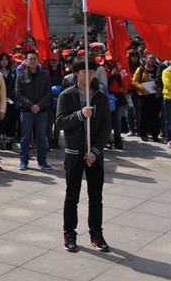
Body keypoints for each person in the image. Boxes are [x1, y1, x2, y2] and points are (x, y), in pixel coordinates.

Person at [56, 58, 111, 253]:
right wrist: (80, 114)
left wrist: (95, 151)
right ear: (76, 73)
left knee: (96, 197)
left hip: (94, 155)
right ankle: (69, 234)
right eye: (84, 71)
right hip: (74, 153)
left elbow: (106, 127)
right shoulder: (66, 95)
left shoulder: (100, 97)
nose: (89, 75)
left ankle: (96, 234)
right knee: (72, 196)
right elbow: (60, 122)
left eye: (92, 71)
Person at [15, 50, 52, 170]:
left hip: (42, 111)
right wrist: (31, 105)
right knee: (25, 138)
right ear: (26, 61)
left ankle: (42, 161)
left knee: (41, 138)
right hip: (26, 111)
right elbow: (18, 93)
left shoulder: (45, 75)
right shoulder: (21, 76)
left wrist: (39, 105)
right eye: (30, 59)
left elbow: (48, 93)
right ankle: (23, 161)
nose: (32, 61)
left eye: (34, 59)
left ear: (38, 60)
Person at [131, 53, 162, 142]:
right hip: (143, 96)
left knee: (155, 116)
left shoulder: (157, 69)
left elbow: (161, 80)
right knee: (143, 115)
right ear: (145, 59)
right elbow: (134, 82)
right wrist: (143, 90)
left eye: (154, 59)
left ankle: (155, 135)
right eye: (151, 58)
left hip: (155, 95)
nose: (152, 60)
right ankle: (143, 134)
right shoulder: (140, 69)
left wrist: (157, 85)